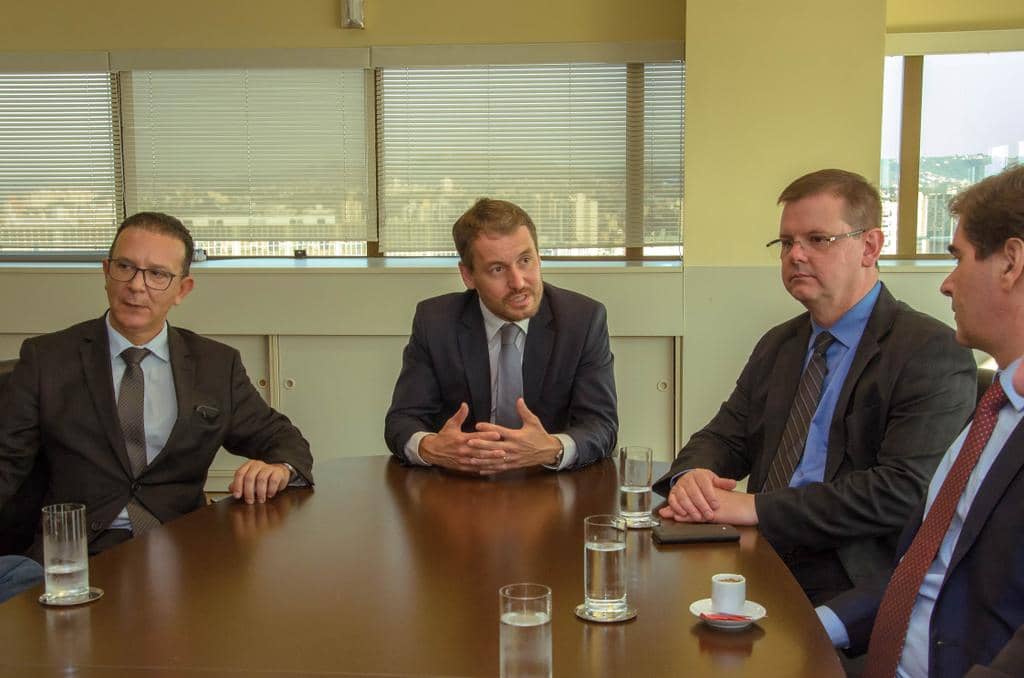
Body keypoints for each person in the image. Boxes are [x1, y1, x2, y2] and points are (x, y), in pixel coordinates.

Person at [653, 169, 976, 604]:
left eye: (818, 239)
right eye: (786, 243)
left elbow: (901, 491)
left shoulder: (929, 350)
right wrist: (692, 476)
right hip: (757, 549)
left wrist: (755, 507)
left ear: (870, 246)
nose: (796, 255)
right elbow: (724, 436)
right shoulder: (780, 343)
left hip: (849, 573)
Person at [0, 212, 313, 564]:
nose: (137, 286)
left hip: (183, 547)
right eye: (125, 267)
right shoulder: (47, 359)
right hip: (76, 555)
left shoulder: (215, 365)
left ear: (182, 289)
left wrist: (280, 467)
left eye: (157, 274)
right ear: (106, 272)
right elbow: (6, 462)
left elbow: (282, 438)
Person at [819, 164, 1024, 677]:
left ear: (1011, 263)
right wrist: (818, 623)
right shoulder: (993, 408)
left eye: (958, 258)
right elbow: (925, 569)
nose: (947, 284)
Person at [385, 198, 618, 474]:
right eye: (497, 269)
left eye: (525, 261)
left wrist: (553, 448)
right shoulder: (436, 322)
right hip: (463, 483)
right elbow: (402, 421)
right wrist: (431, 447)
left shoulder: (582, 320)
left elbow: (602, 426)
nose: (518, 282)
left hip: (548, 480)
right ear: (468, 276)